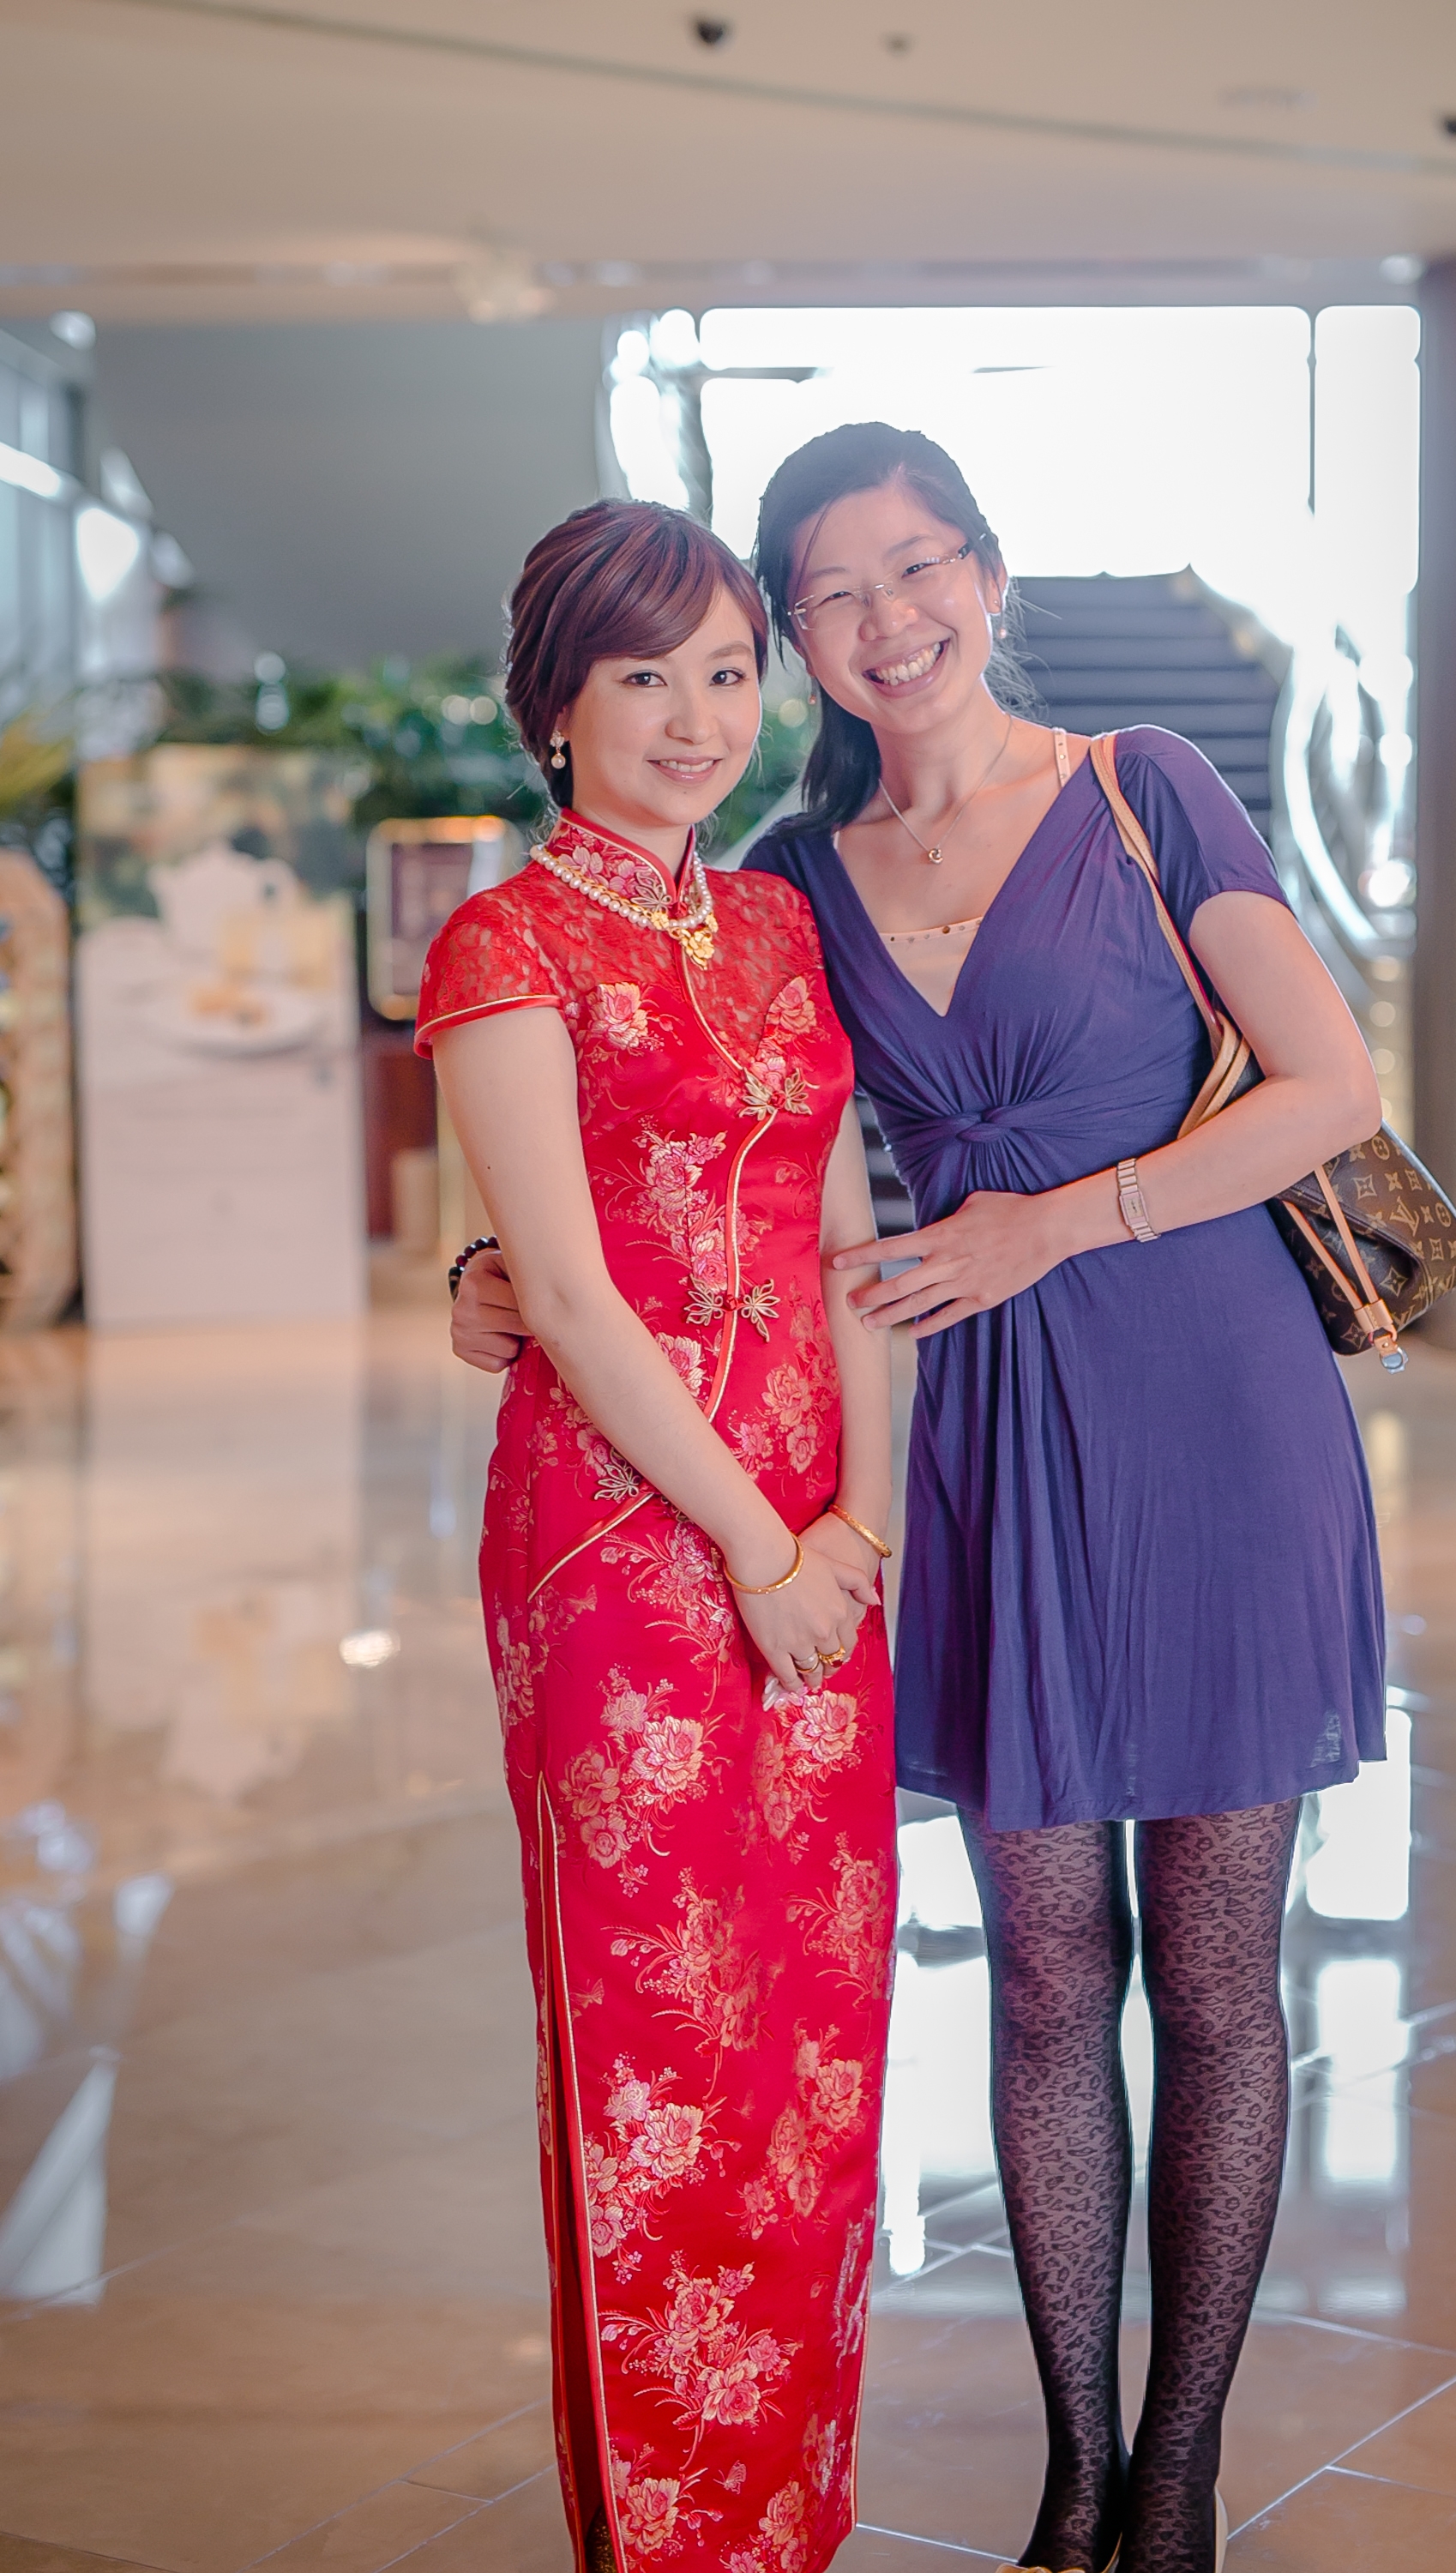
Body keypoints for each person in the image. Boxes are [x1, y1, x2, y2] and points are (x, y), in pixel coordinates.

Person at [455, 427, 1386, 2573]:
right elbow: (698, 1140)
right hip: (965, 1438)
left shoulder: (1146, 786)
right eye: (835, 591)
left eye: (920, 566)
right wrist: (497, 1272)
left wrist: (1060, 1221)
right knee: (1044, 1971)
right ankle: (1074, 2466)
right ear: (800, 633)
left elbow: (1330, 1087)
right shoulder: (785, 874)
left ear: (986, 570)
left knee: (1216, 1975)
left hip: (1211, 1412)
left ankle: (1180, 2476)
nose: (891, 620)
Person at [420, 498, 898, 2573]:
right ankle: (672, 2534)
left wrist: (858, 1523)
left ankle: (792, 2516)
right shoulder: (504, 946)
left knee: (817, 2040)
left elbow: (849, 1240)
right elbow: (568, 1294)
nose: (700, 718)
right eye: (647, 677)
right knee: (662, 2042)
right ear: (557, 704)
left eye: (727, 672)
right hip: (622, 1549)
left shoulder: (778, 922)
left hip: (822, 1536)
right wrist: (757, 1550)